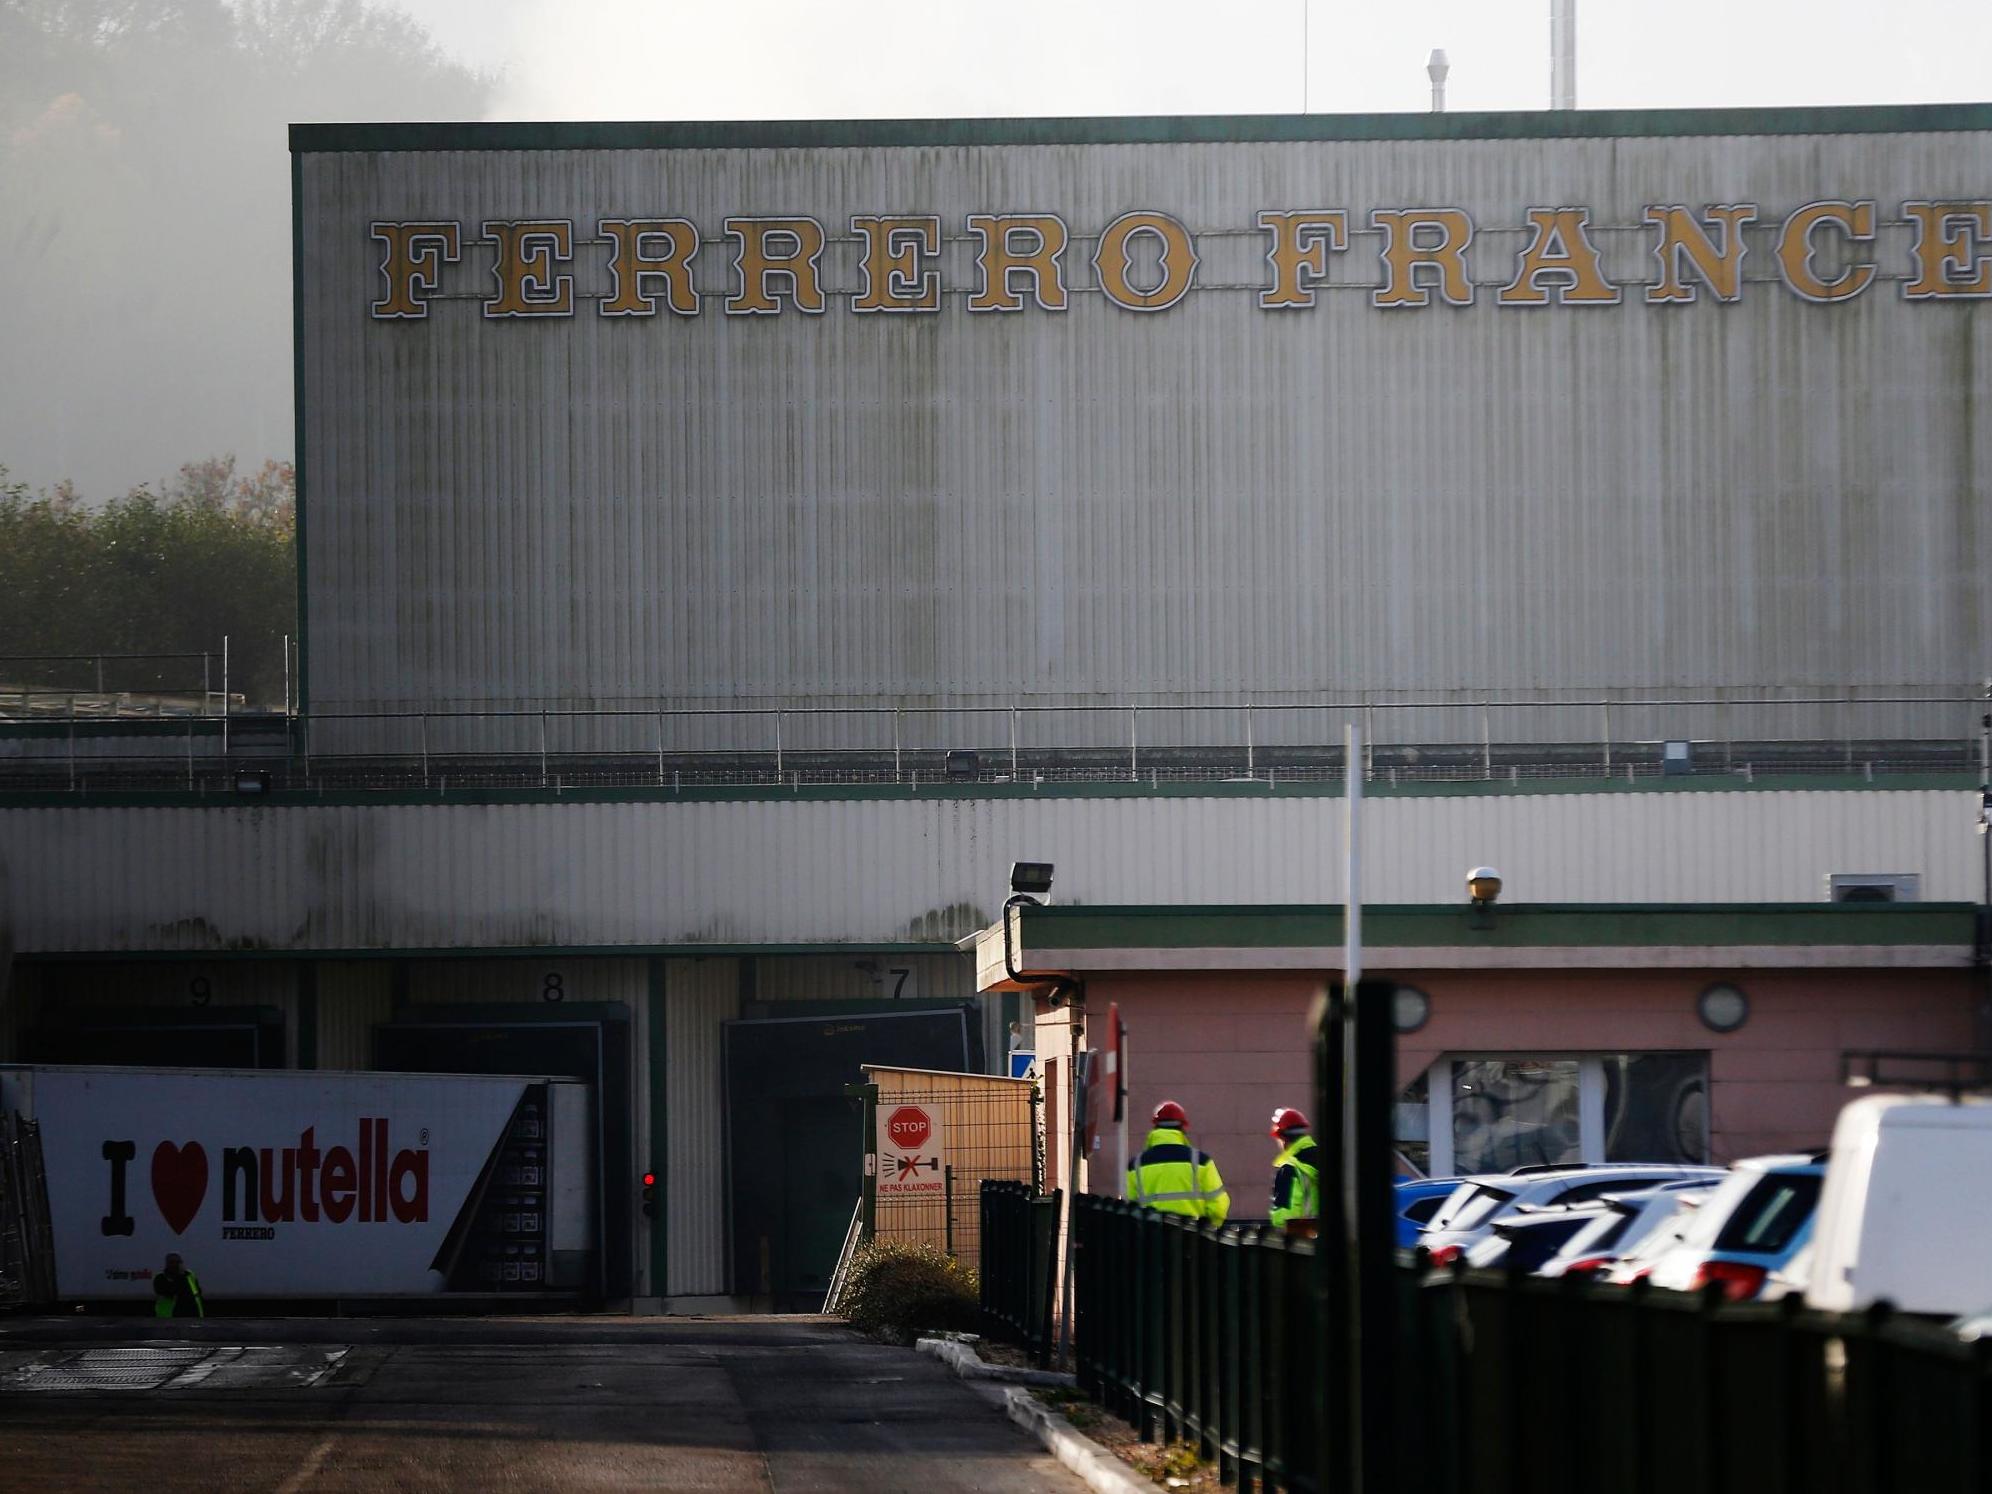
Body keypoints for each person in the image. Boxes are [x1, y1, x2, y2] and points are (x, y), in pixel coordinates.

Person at [1127, 1100, 1229, 1224]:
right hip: (1192, 1239)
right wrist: (1208, 1231)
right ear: (1183, 1127)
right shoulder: (1201, 1162)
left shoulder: (1136, 1165)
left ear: (1155, 1127)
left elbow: (1129, 1208)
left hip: (1152, 1239)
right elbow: (1218, 1208)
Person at [1267, 1107, 1320, 1231]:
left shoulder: (1288, 1169)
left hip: (1301, 1242)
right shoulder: (1324, 1160)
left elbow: (1285, 1217)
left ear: (1283, 1138)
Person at [152, 1252, 204, 1319]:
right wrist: (180, 1276)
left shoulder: (189, 1275)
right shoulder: (160, 1278)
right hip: (169, 1318)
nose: (175, 1265)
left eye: (178, 1262)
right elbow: (171, 1292)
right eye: (172, 1262)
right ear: (167, 1264)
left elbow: (197, 1292)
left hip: (193, 1316)